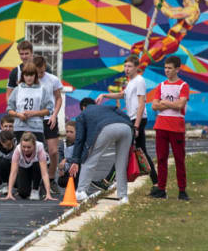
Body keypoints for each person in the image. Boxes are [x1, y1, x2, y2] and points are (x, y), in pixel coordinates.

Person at [95, 55, 158, 194]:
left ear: (136, 67)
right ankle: (157, 183)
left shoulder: (139, 81)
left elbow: (142, 104)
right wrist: (105, 95)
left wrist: (136, 126)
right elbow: (122, 95)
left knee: (124, 150)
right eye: (125, 66)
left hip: (138, 120)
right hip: (134, 119)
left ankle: (107, 181)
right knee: (142, 152)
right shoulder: (131, 82)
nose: (126, 69)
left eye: (129, 66)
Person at [131, 0, 208, 72]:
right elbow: (170, 8)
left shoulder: (193, 10)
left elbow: (172, 14)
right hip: (168, 39)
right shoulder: (186, 9)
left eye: (185, 0)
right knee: (137, 46)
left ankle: (131, 77)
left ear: (191, 0)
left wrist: (160, 5)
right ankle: (132, 66)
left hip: (172, 42)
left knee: (146, 58)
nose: (183, 2)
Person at [68, 98, 133, 204]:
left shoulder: (82, 115)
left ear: (83, 108)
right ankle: (123, 196)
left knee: (90, 159)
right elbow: (125, 116)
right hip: (126, 128)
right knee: (121, 163)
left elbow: (80, 139)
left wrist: (75, 160)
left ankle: (81, 191)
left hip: (105, 128)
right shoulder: (108, 107)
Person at [150, 56, 190, 200]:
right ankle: (161, 189)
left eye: (170, 68)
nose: (167, 70)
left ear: (177, 69)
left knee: (179, 159)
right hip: (161, 126)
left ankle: (182, 190)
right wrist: (169, 104)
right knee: (161, 159)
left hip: (176, 127)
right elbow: (154, 105)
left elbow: (180, 105)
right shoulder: (161, 85)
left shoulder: (183, 86)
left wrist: (164, 103)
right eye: (165, 68)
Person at [33, 55, 63, 194]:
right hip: (34, 119)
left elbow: (58, 98)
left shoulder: (52, 79)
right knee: (35, 151)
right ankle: (35, 181)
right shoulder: (29, 80)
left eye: (41, 72)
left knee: (53, 151)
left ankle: (51, 179)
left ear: (45, 67)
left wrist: (54, 115)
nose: (39, 75)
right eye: (36, 72)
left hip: (49, 119)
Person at [6, 62, 53, 143]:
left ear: (35, 75)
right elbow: (9, 109)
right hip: (19, 127)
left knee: (37, 153)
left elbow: (49, 109)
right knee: (20, 153)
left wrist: (34, 113)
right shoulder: (17, 90)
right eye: (26, 75)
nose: (29, 78)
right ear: (23, 76)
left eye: (31, 75)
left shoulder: (42, 90)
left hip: (36, 128)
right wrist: (18, 115)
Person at [2, 132, 56, 201]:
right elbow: (13, 173)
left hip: (37, 167)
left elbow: (44, 173)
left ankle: (36, 189)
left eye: (29, 147)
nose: (26, 149)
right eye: (24, 147)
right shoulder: (17, 150)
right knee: (23, 193)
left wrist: (48, 194)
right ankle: (28, 185)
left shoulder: (39, 147)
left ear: (34, 145)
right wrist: (9, 193)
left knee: (37, 164)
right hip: (25, 167)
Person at [57, 121, 79, 189]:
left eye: (71, 132)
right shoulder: (62, 144)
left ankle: (79, 185)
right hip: (68, 169)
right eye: (67, 131)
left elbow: (81, 158)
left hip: (79, 168)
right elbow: (60, 159)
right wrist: (61, 169)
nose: (68, 134)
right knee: (61, 181)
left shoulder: (80, 143)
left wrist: (67, 159)